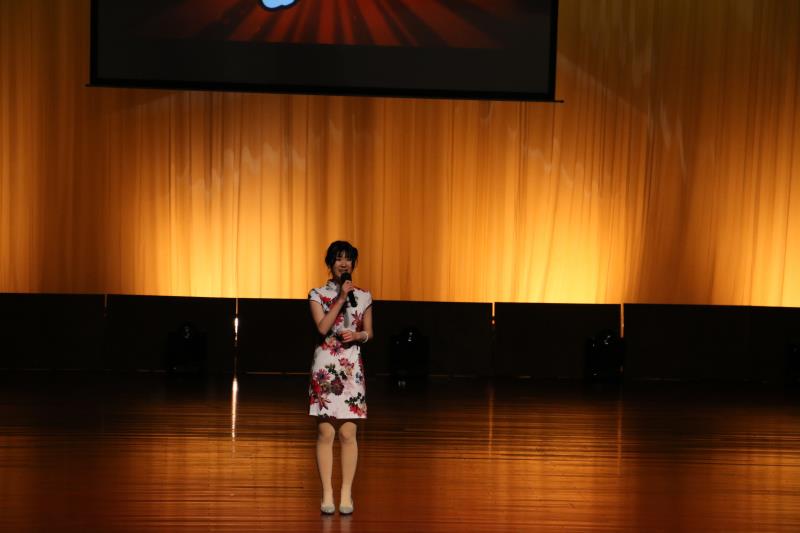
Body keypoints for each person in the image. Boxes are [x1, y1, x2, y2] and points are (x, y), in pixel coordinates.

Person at [308, 240, 373, 515]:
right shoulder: (317, 294)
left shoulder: (365, 296)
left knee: (348, 432)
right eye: (338, 258)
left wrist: (358, 335)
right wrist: (341, 298)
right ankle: (327, 492)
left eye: (348, 259)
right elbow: (323, 327)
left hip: (350, 366)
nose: (343, 263)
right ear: (330, 263)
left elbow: (369, 332)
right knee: (326, 431)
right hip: (326, 366)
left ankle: (346, 491)